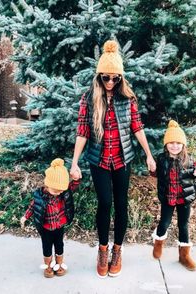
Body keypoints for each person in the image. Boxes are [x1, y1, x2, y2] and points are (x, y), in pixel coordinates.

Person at [70, 40, 156, 278]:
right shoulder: (89, 98)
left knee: (121, 204)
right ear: (99, 77)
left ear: (120, 78)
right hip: (98, 160)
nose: (110, 83)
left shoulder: (127, 99)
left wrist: (149, 155)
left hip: (122, 159)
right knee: (105, 203)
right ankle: (103, 249)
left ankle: (118, 250)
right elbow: (82, 131)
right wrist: (75, 162)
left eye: (115, 78)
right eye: (106, 78)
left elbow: (137, 128)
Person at [150, 120, 196, 271]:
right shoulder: (161, 159)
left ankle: (184, 255)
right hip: (168, 198)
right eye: (171, 142)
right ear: (166, 144)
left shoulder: (190, 159)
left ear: (183, 144)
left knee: (183, 225)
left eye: (178, 143)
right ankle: (159, 242)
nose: (175, 146)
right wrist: (152, 168)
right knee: (165, 223)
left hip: (184, 199)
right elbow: (155, 173)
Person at [20, 158, 80, 278]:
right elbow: (33, 207)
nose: (58, 193)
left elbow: (73, 185)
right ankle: (48, 266)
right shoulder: (40, 196)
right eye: (55, 191)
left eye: (60, 191)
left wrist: (76, 178)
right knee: (47, 247)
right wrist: (25, 217)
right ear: (47, 185)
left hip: (59, 226)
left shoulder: (63, 192)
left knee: (59, 245)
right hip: (46, 228)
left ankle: (59, 264)